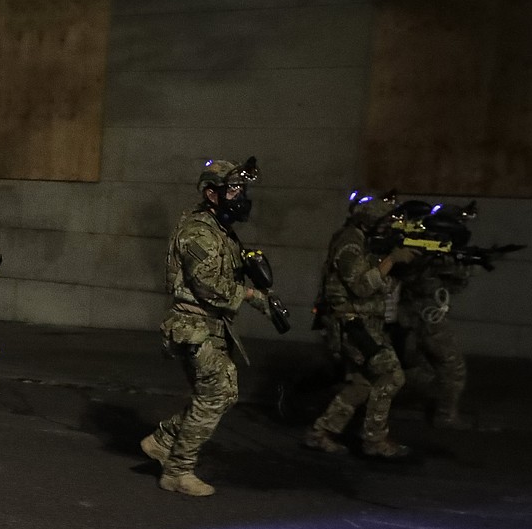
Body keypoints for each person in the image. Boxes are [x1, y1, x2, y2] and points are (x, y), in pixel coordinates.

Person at [139, 158, 272, 497]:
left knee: (220, 393)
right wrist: (251, 294)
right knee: (216, 393)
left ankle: (163, 441)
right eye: (232, 189)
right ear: (212, 195)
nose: (239, 195)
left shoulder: (219, 229)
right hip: (193, 325)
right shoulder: (199, 231)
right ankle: (178, 472)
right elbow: (209, 285)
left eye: (241, 189)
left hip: (207, 325)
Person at [303, 190, 418, 458]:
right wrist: (392, 260)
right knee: (391, 374)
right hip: (352, 325)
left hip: (364, 323)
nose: (388, 227)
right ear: (368, 222)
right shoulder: (350, 245)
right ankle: (374, 440)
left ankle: (320, 432)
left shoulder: (363, 241)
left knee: (364, 383)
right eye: (383, 223)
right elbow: (361, 286)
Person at [387, 202, 474, 429]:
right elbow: (457, 280)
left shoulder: (424, 251)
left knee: (419, 368)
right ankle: (445, 416)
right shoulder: (422, 252)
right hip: (426, 318)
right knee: (453, 367)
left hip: (413, 317)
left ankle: (398, 397)